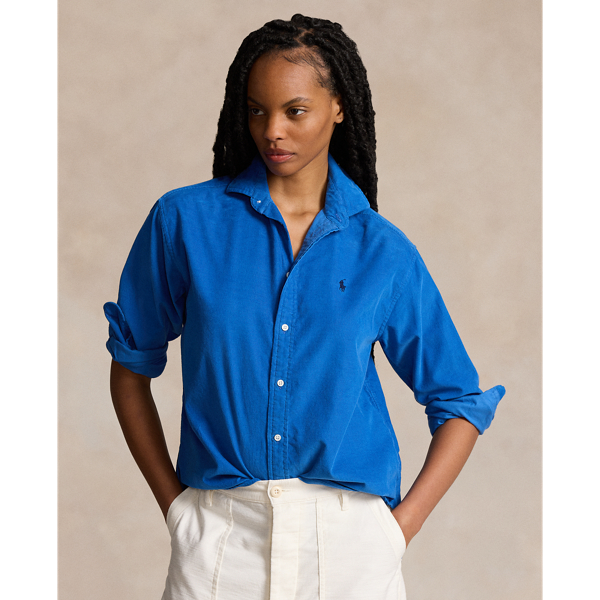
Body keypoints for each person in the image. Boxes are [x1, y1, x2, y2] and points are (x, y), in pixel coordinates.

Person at [105, 13, 505, 600]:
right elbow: (130, 368)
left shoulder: (383, 250)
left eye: (295, 111)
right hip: (219, 541)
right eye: (257, 110)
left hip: (348, 547)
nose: (272, 131)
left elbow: (460, 402)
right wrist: (177, 511)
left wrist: (396, 533)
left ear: (338, 107)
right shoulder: (185, 222)